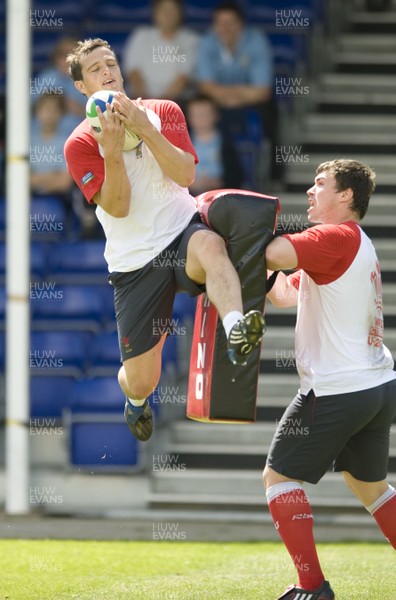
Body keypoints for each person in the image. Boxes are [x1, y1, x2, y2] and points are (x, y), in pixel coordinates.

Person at [64, 38, 266, 442]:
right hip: (134, 262)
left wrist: (143, 129)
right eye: (95, 69)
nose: (107, 72)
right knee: (142, 380)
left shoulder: (163, 110)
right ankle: (135, 402)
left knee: (211, 246)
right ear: (82, 88)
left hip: (180, 230)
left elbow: (186, 177)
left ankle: (236, 330)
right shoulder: (80, 144)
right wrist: (112, 152)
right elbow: (118, 207)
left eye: (111, 63)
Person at [263, 159, 396, 599]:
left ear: (346, 196)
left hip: (339, 387)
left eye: (320, 184)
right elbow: (284, 292)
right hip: (376, 385)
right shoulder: (354, 242)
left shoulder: (333, 237)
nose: (309, 191)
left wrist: (228, 231)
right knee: (369, 485)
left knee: (279, 478)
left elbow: (276, 253)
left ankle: (312, 587)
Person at [196, 1, 283, 185]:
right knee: (198, 109)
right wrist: (230, 96)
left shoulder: (256, 40)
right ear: (214, 25)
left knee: (271, 113)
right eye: (220, 23)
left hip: (250, 101)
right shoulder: (207, 42)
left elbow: (263, 91)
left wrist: (231, 96)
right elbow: (206, 86)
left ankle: (275, 173)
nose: (225, 28)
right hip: (220, 101)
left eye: (230, 23)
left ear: (241, 24)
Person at [122, 0, 200, 104]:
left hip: (177, 102)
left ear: (180, 13)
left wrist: (162, 106)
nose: (168, 14)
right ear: (155, 13)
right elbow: (133, 72)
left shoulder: (191, 39)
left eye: (173, 10)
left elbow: (184, 77)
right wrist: (145, 102)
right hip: (140, 100)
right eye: (164, 10)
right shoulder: (141, 35)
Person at [186, 93, 244, 195]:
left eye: (204, 114)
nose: (201, 119)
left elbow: (236, 174)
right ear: (189, 117)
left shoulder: (226, 142)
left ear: (216, 115)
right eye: (196, 115)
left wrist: (220, 183)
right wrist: (189, 185)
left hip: (221, 195)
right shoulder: (181, 144)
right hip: (188, 196)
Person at [30, 92, 74, 197]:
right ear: (37, 111)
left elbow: (64, 183)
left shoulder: (67, 142)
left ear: (61, 113)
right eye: (45, 108)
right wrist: (53, 176)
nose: (49, 113)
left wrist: (36, 180)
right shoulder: (28, 141)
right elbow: (21, 178)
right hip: (29, 198)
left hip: (58, 199)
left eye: (54, 109)